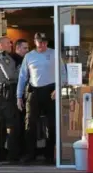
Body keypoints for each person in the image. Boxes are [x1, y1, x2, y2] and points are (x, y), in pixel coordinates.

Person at [17, 32, 67, 164]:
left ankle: (49, 155)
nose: (43, 44)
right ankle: (30, 154)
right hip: (34, 91)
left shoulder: (54, 54)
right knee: (30, 123)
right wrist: (19, 96)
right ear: (35, 41)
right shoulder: (29, 56)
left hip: (51, 90)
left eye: (45, 41)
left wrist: (59, 88)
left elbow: (63, 73)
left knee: (51, 124)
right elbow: (23, 77)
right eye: (40, 41)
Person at [0, 36, 19, 162]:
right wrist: (21, 72)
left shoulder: (3, 56)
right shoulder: (2, 57)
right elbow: (10, 75)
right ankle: (10, 154)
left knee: (3, 124)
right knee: (11, 123)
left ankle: (3, 153)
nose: (11, 45)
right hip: (6, 93)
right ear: (0, 45)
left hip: (3, 92)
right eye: (7, 43)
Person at [6, 39, 29, 162]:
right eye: (25, 48)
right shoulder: (12, 59)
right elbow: (12, 77)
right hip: (13, 96)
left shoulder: (26, 59)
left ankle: (21, 152)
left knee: (21, 125)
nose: (27, 50)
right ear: (18, 48)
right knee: (16, 126)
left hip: (23, 95)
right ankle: (14, 154)